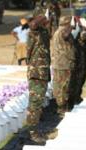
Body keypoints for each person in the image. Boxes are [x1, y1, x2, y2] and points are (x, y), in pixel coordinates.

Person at [26, 8, 50, 142]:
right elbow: (33, 25)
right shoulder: (33, 32)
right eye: (42, 17)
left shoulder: (43, 32)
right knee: (34, 103)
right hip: (36, 72)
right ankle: (32, 132)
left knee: (38, 102)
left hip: (43, 72)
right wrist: (39, 18)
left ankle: (34, 129)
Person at [50, 16, 74, 116]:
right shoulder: (62, 31)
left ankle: (61, 106)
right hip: (63, 64)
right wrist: (70, 29)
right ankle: (62, 107)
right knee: (63, 86)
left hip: (60, 63)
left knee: (59, 85)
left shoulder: (57, 31)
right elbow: (65, 36)